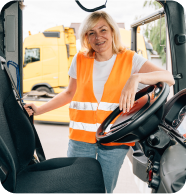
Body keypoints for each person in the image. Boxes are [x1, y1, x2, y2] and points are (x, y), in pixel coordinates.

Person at [24, 11, 175, 194]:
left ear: (112, 31)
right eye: (91, 33)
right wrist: (39, 110)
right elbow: (69, 93)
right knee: (77, 187)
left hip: (114, 141)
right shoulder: (80, 59)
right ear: (86, 37)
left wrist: (136, 78)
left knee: (103, 189)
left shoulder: (130, 59)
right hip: (80, 140)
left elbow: (169, 78)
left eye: (103, 30)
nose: (98, 37)